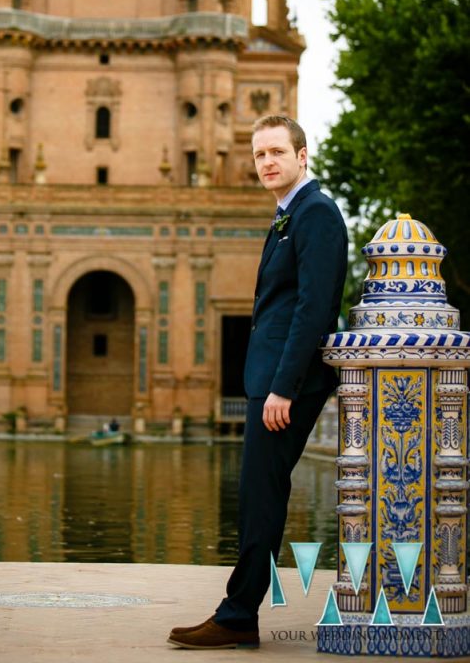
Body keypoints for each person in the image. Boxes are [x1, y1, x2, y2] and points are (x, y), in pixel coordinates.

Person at [168, 115, 348, 650]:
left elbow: (315, 309)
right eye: (259, 155)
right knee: (256, 494)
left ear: (302, 156)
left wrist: (285, 387)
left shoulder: (316, 214)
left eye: (276, 152)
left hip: (285, 386)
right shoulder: (289, 215)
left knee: (261, 495)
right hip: (272, 379)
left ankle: (239, 613)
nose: (267, 163)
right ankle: (239, 611)